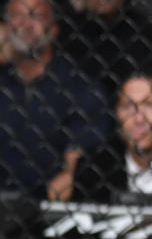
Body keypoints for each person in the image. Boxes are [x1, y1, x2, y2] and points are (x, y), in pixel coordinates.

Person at [0, 0, 114, 199]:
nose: (27, 24)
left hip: (54, 205)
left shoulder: (80, 87)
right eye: (18, 16)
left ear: (53, 28)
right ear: (7, 29)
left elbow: (81, 161)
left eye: (37, 16)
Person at [53, 71, 152, 203]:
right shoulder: (95, 167)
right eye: (128, 106)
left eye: (149, 106)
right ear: (116, 113)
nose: (139, 118)